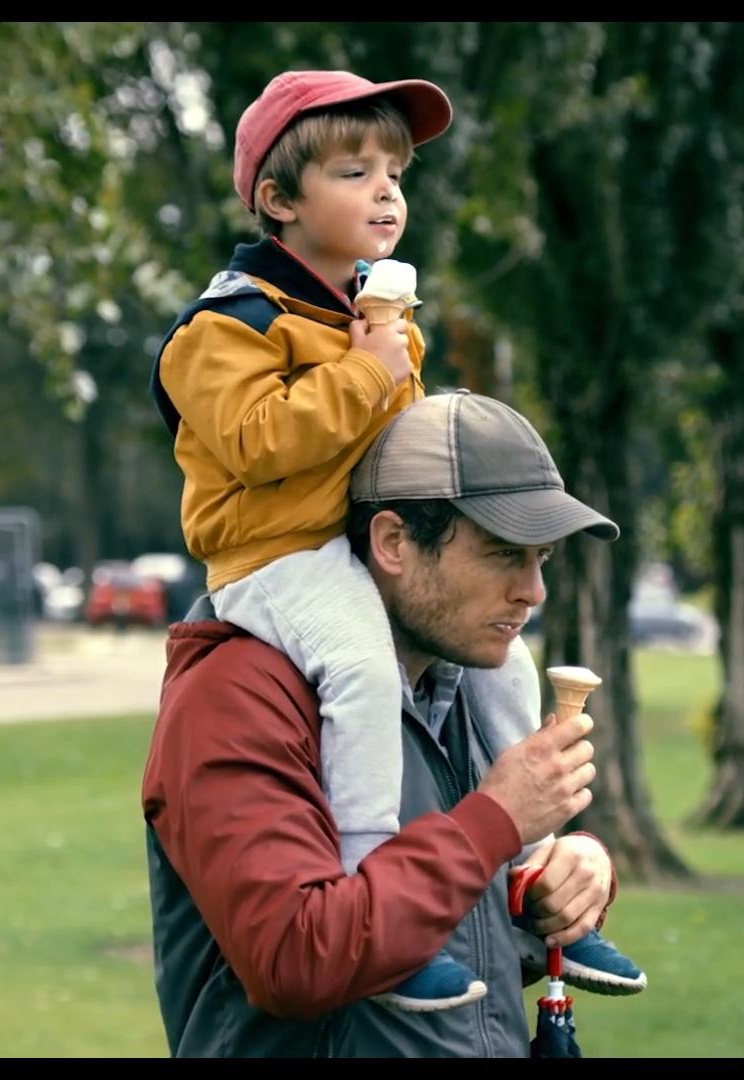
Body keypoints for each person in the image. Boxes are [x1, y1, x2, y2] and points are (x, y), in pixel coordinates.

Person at [147, 70, 644, 1011]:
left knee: (511, 673)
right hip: (276, 560)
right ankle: (363, 856)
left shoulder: (375, 320)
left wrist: (557, 862)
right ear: (279, 200)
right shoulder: (224, 327)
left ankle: (537, 885)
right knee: (363, 675)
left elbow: (407, 461)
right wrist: (372, 371)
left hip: (343, 558)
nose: (387, 191)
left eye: (397, 173)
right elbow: (258, 443)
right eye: (354, 170)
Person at [141, 391, 642, 1056]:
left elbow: (452, 951)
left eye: (541, 558)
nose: (533, 590)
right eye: (502, 554)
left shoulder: (467, 686)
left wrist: (560, 881)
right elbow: (296, 959)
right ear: (394, 542)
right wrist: (494, 821)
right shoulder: (236, 697)